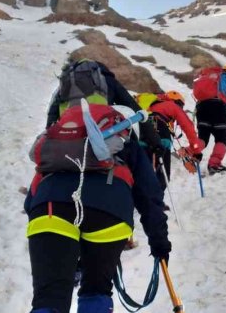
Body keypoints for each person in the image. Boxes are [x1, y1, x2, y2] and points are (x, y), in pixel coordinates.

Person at [25, 104, 170, 313]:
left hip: (49, 208)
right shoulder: (128, 145)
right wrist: (160, 243)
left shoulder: (60, 149)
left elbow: (32, 198)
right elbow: (150, 196)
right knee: (97, 290)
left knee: (49, 297)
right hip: (110, 213)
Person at [47, 59, 164, 154]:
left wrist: (49, 136)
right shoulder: (107, 80)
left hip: (67, 136)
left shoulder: (66, 84)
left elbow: (53, 113)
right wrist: (155, 141)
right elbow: (133, 108)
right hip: (101, 135)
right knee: (134, 153)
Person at [136, 91, 205, 193]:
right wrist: (196, 150)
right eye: (180, 105)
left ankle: (143, 202)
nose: (180, 108)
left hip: (141, 134)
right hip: (160, 134)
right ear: (176, 101)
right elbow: (188, 127)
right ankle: (155, 203)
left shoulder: (148, 106)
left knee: (143, 172)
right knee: (162, 175)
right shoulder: (171, 105)